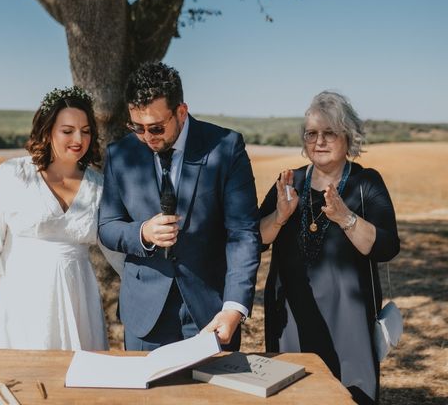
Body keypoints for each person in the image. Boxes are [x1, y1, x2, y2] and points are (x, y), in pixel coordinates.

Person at [98, 62, 261, 351]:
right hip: (144, 317)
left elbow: (243, 233)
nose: (147, 137)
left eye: (156, 127)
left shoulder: (226, 147)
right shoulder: (119, 154)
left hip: (211, 312)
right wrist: (143, 233)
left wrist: (233, 308)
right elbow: (107, 227)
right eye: (137, 127)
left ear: (181, 112)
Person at [0, 86, 124, 350]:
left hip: (78, 302)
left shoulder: (99, 186)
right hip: (18, 301)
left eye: (86, 131)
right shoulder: (13, 174)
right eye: (67, 131)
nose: (78, 139)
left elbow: (119, 248)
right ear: (47, 130)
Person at [259, 91, 400, 404]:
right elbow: (256, 239)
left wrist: (346, 217)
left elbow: (387, 247)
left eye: (329, 132)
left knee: (350, 395)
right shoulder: (289, 182)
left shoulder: (366, 183)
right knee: (292, 393)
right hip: (292, 316)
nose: (319, 141)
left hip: (349, 320)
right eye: (311, 133)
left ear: (348, 136)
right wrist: (280, 216)